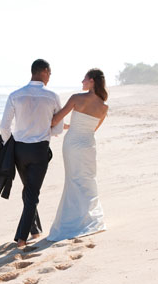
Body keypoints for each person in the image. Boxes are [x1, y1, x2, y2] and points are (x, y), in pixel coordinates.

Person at [0, 59, 64, 247]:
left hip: (19, 149)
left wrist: (8, 143)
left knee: (28, 189)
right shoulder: (52, 96)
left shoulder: (15, 95)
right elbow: (58, 128)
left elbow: (4, 126)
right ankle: (21, 238)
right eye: (50, 73)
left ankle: (34, 230)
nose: (50, 77)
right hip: (39, 150)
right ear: (44, 71)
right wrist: (46, 132)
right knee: (32, 193)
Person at [47, 68, 108, 242]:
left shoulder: (76, 98)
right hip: (88, 144)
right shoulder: (104, 107)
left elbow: (54, 120)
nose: (82, 82)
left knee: (73, 180)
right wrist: (70, 126)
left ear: (92, 81)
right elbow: (91, 129)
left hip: (72, 144)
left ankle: (71, 222)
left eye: (84, 79)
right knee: (88, 179)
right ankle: (89, 218)